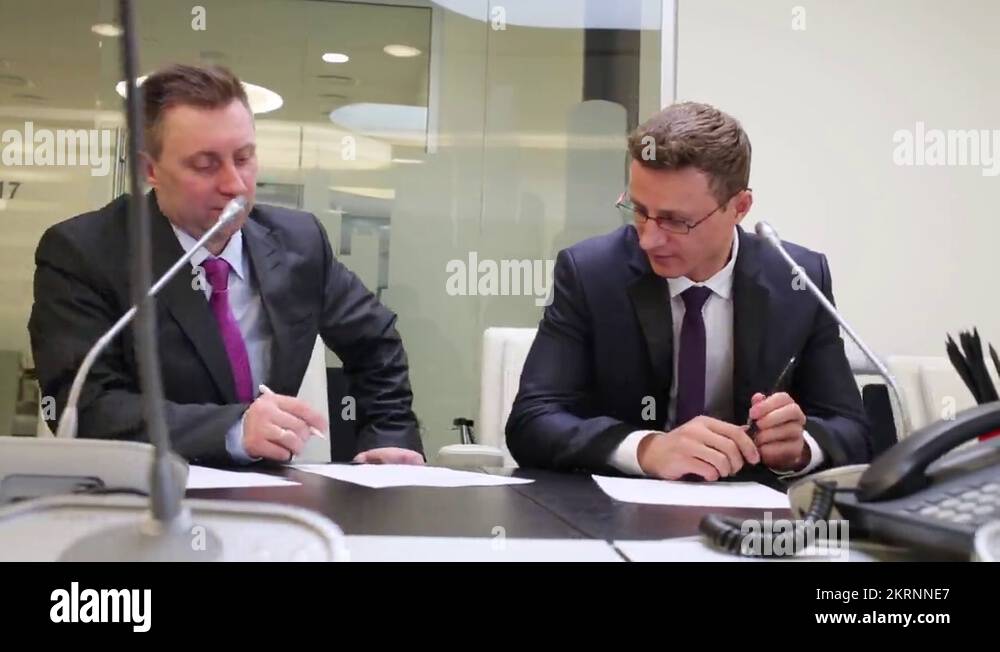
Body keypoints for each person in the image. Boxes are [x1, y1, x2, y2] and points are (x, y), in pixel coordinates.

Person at [29, 64, 424, 467]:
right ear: (149, 170)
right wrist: (234, 429)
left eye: (244, 158)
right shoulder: (83, 252)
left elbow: (374, 342)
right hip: (144, 496)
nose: (235, 184)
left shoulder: (298, 242)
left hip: (272, 497)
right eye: (205, 165)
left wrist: (388, 435)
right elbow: (87, 405)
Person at [506, 101, 871, 481]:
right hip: (615, 512)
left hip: (748, 520)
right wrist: (645, 448)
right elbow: (532, 422)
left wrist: (799, 449)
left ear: (739, 207)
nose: (648, 238)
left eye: (676, 221)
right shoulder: (591, 273)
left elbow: (853, 430)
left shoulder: (799, 280)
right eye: (639, 210)